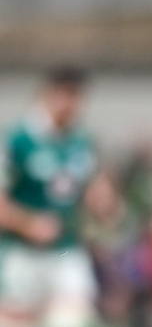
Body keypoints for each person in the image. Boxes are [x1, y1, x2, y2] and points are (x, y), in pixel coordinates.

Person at [0, 67, 100, 327]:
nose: (71, 106)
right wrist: (27, 223)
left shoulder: (82, 141)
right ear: (48, 95)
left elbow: (88, 190)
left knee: (75, 318)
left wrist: (99, 202)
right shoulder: (17, 140)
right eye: (66, 96)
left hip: (66, 250)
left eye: (76, 98)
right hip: (22, 254)